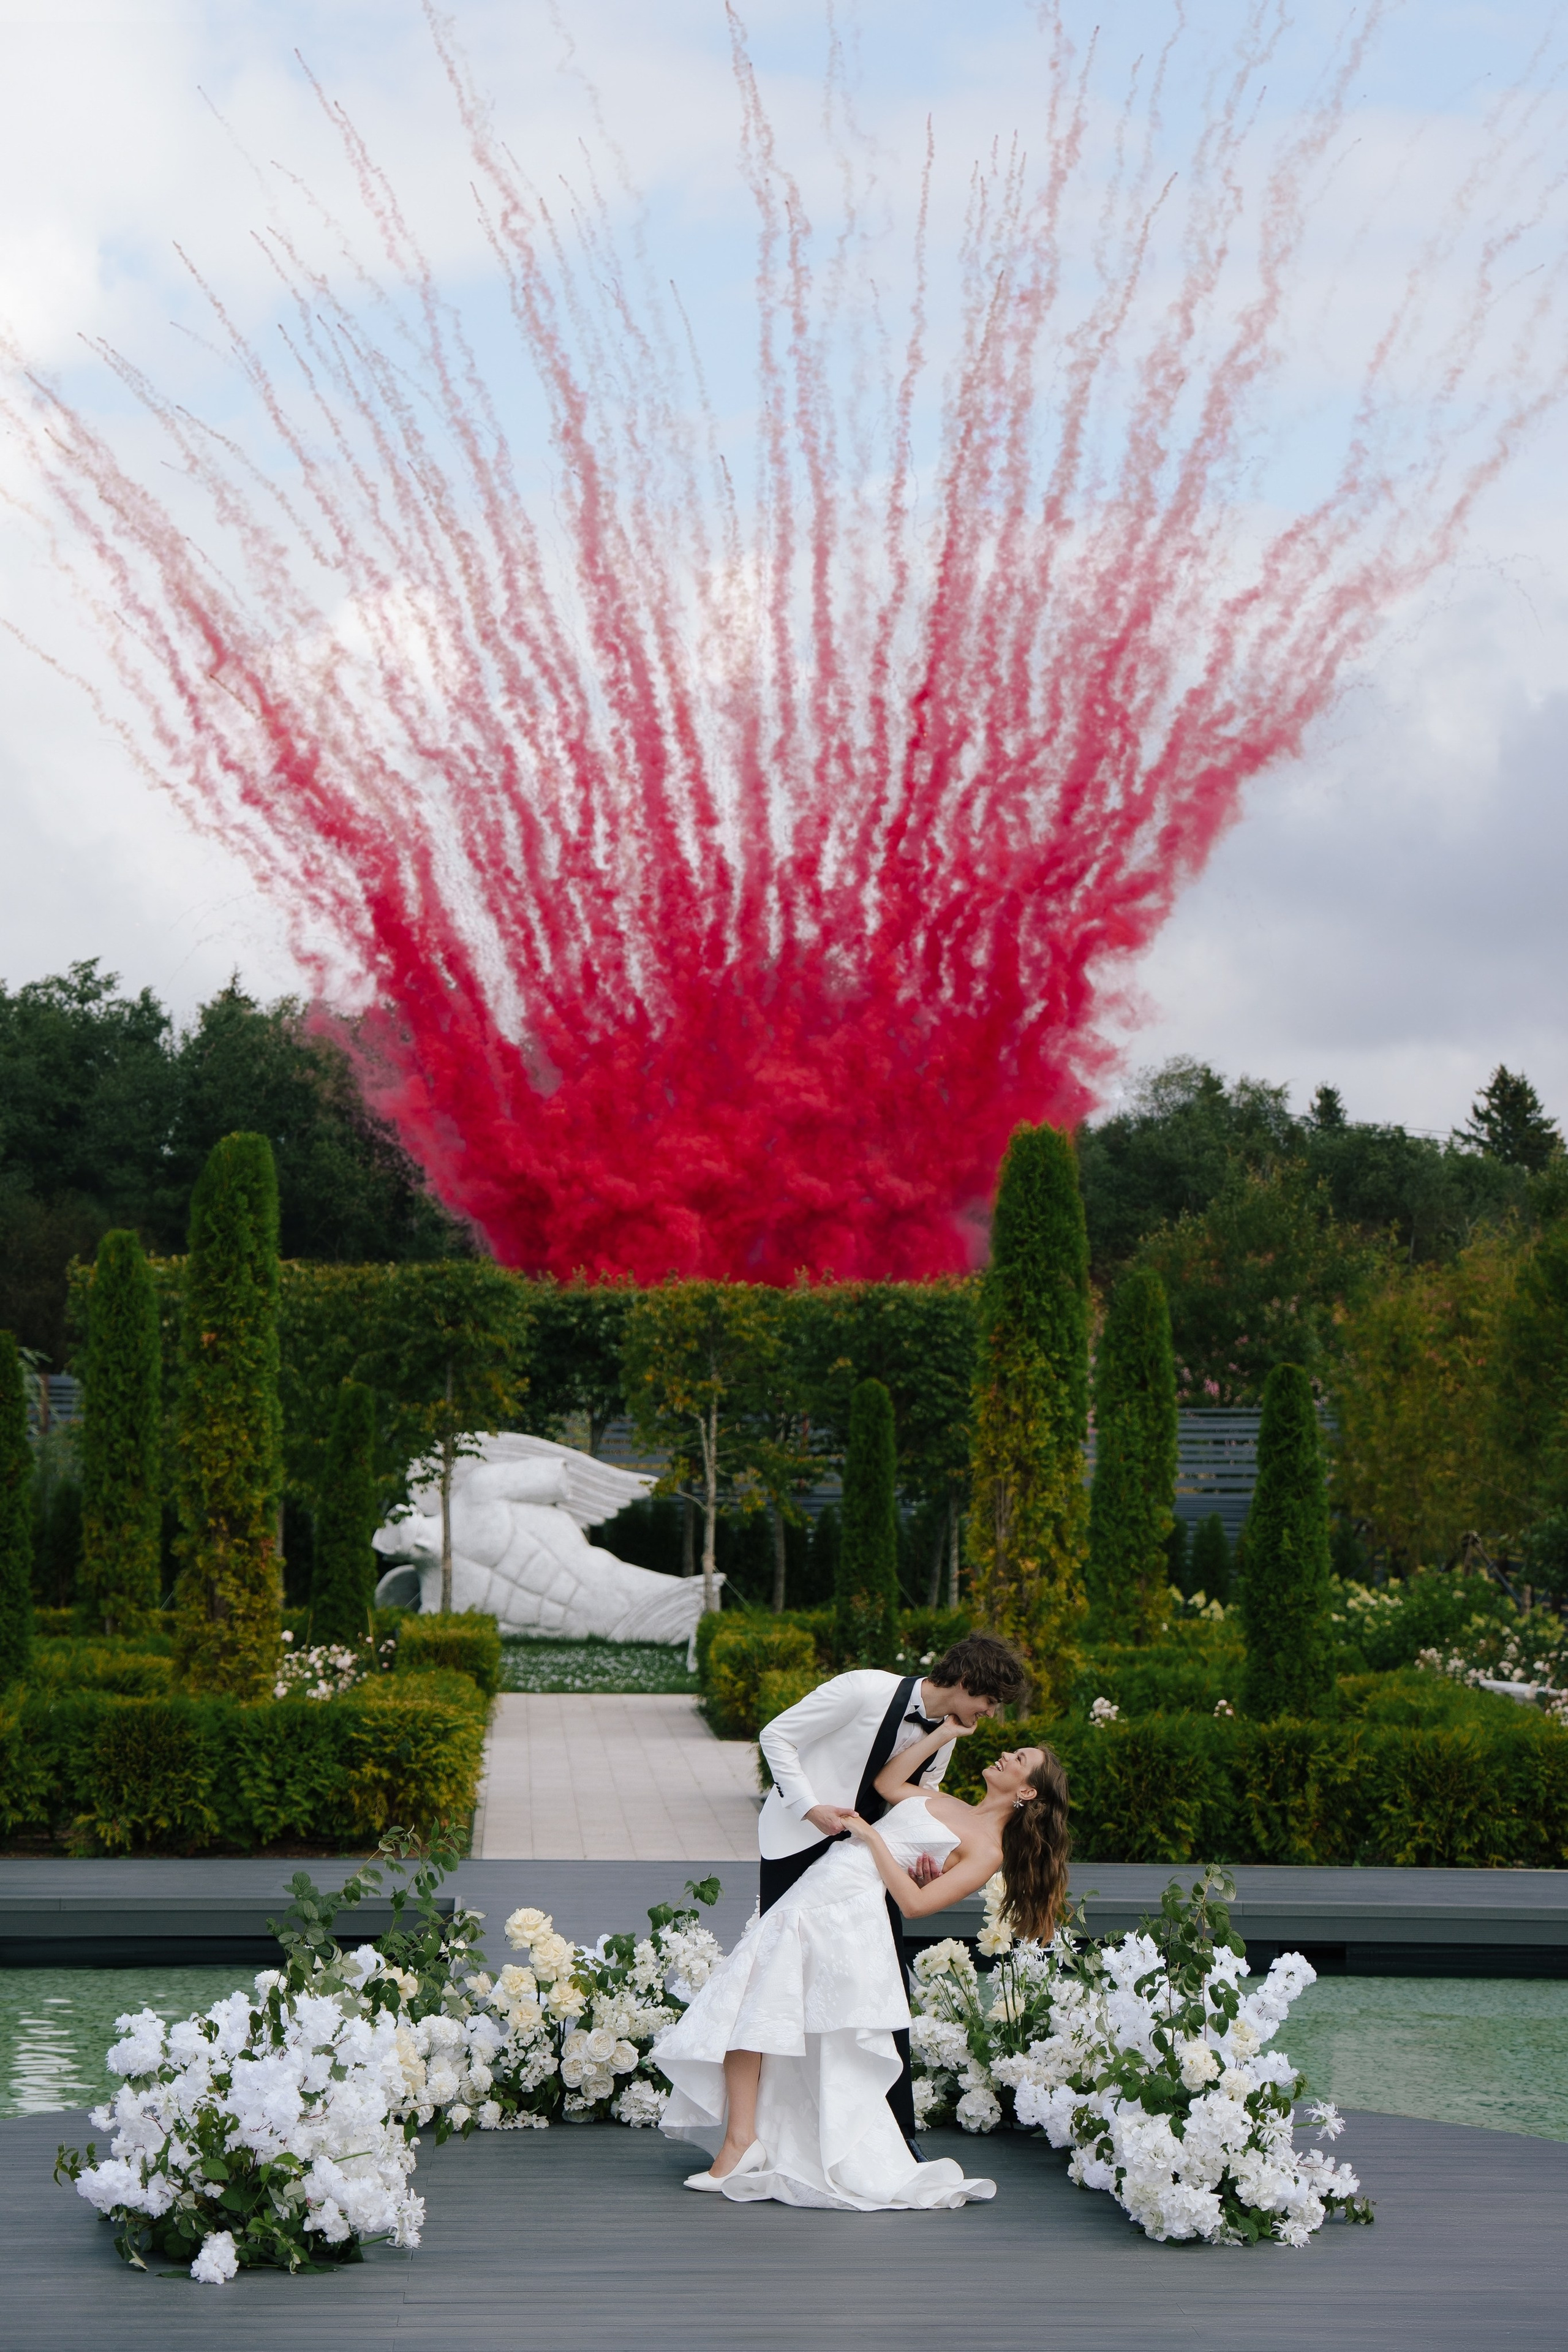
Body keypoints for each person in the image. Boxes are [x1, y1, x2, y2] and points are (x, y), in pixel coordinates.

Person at [654, 1710, 1071, 2213]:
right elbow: (888, 1781)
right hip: (824, 1881)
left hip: (849, 1907)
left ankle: (742, 2144)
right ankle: (745, 2140)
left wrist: (876, 1842)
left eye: (1020, 1759)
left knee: (751, 1997)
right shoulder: (946, 1801)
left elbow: (916, 1906)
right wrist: (944, 1733)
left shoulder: (987, 1851)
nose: (1007, 1754)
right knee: (755, 2000)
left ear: (1027, 1792)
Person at [752, 1634, 1030, 2149]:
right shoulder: (862, 1689)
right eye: (989, 1701)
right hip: (797, 1840)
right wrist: (810, 1809)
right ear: (968, 1684)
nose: (990, 1714)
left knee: (882, 1984)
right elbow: (776, 1736)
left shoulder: (949, 1734)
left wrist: (926, 1866)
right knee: (785, 1981)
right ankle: (775, 2129)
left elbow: (918, 1801)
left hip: (870, 1863)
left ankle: (896, 2137)